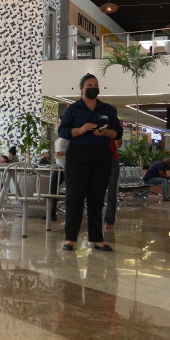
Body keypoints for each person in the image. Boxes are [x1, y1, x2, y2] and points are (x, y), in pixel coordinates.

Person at [56, 74, 120, 251]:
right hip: (77, 157)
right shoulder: (73, 109)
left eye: (96, 85)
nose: (93, 87)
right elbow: (63, 131)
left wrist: (105, 133)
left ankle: (97, 239)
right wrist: (81, 129)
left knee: (97, 199)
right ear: (81, 88)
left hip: (101, 157)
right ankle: (70, 239)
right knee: (74, 197)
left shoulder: (107, 109)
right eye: (90, 85)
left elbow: (117, 132)